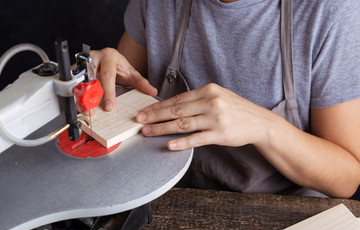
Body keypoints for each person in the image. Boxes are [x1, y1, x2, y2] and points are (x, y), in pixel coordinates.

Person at [88, 0, 360, 198]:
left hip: (284, 209)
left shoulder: (331, 10)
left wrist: (265, 127)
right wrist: (102, 82)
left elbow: (347, 178)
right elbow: (124, 100)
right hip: (170, 192)